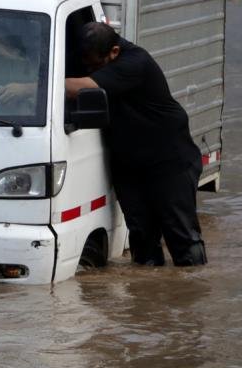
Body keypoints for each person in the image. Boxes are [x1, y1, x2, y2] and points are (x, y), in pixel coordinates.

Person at [65, 21, 207, 267]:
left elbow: (86, 87)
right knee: (141, 238)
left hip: (168, 160)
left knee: (182, 237)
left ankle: (191, 297)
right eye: (86, 64)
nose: (89, 70)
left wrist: (37, 87)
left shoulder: (134, 63)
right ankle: (147, 300)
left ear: (114, 52)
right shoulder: (95, 56)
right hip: (130, 163)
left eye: (94, 65)